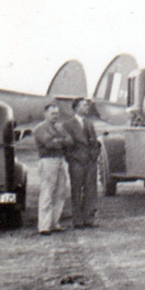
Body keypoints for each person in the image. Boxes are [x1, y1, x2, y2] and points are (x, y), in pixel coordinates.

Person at [33, 103, 73, 235]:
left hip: (60, 160)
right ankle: (44, 226)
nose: (55, 116)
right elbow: (49, 144)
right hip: (48, 161)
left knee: (61, 192)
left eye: (57, 114)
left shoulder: (59, 127)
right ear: (45, 114)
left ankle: (54, 222)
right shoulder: (40, 128)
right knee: (47, 192)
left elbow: (70, 141)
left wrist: (58, 141)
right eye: (52, 114)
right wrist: (61, 141)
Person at [63, 98, 101, 229]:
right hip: (77, 163)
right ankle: (77, 220)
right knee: (76, 190)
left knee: (91, 190)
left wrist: (94, 155)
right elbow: (66, 147)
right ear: (76, 108)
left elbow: (94, 142)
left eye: (87, 105)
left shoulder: (89, 123)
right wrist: (73, 159)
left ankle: (89, 219)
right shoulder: (68, 124)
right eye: (84, 105)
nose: (87, 107)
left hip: (90, 162)